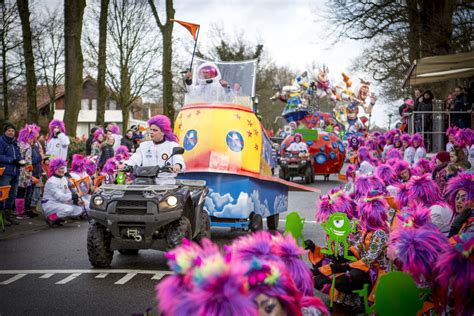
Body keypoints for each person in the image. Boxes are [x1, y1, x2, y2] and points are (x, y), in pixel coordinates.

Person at [41, 158, 85, 226]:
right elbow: (60, 197)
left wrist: (76, 201)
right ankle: (51, 218)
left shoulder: (64, 179)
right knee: (68, 209)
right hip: (50, 204)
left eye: (63, 168)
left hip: (59, 203)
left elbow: (67, 193)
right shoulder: (51, 181)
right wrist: (74, 196)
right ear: (55, 169)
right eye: (60, 168)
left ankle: (58, 217)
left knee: (79, 210)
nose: (62, 170)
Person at [0, 122, 24, 226]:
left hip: (15, 172)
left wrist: (21, 162)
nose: (11, 132)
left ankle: (8, 215)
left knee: (12, 194)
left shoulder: (15, 142)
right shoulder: (1, 141)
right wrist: (12, 161)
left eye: (13, 131)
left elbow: (17, 157)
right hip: (6, 172)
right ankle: (2, 216)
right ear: (5, 132)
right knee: (3, 195)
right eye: (9, 130)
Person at [17, 124, 41, 218]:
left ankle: (20, 212)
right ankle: (21, 212)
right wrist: (30, 173)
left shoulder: (20, 144)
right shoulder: (27, 146)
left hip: (22, 172)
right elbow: (28, 162)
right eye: (32, 138)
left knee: (21, 192)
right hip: (25, 173)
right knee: (23, 192)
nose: (33, 140)